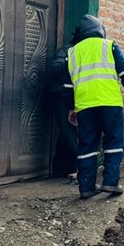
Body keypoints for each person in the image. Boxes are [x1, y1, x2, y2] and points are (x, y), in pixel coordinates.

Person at [64, 15, 124, 199]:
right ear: (100, 30)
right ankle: (110, 183)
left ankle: (86, 187)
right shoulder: (109, 45)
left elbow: (68, 85)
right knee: (113, 142)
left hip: (85, 106)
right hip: (109, 103)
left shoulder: (72, 53)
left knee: (87, 145)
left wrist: (71, 108)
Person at [48, 45, 78, 182]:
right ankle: (75, 167)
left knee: (68, 133)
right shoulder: (67, 50)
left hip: (75, 97)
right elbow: (56, 66)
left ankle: (60, 167)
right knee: (69, 132)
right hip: (62, 96)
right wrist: (69, 61)